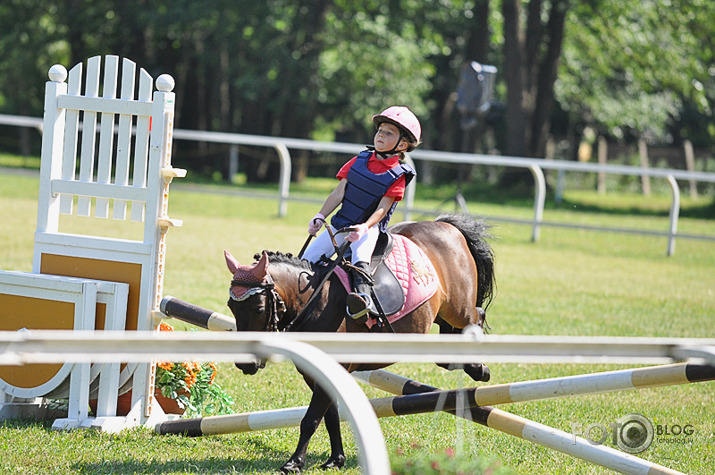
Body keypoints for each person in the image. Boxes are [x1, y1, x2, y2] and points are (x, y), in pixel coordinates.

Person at [301, 106, 421, 319]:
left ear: (402, 144)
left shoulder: (399, 174)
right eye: (380, 131)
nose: (381, 135)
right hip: (340, 225)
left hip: (368, 230)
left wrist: (365, 227)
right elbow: (338, 194)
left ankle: (362, 301)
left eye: (388, 133)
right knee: (306, 261)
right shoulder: (359, 160)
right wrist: (321, 216)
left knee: (360, 259)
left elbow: (383, 208)